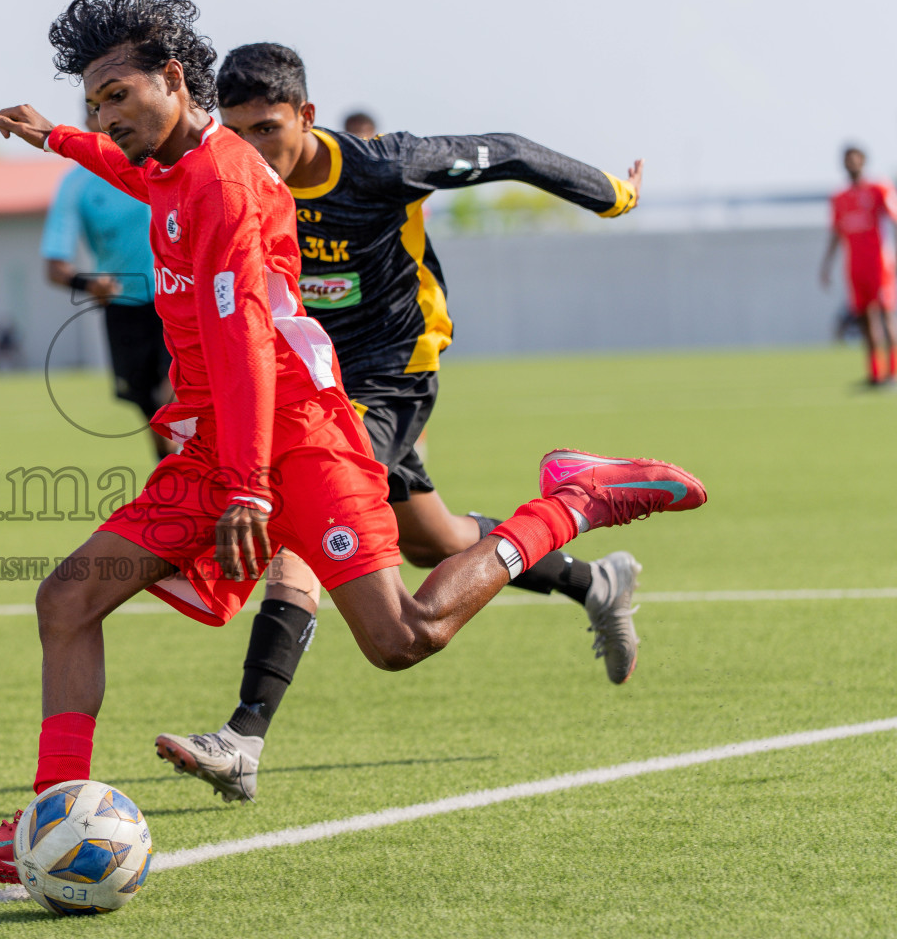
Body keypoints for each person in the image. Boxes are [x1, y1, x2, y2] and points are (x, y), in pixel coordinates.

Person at [0, 0, 706, 887]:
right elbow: (127, 168)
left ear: (176, 81)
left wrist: (253, 484)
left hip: (296, 435)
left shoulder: (222, 185)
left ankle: (576, 501)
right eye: (94, 102)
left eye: (119, 96)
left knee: (401, 639)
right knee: (66, 601)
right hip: (217, 444)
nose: (107, 119)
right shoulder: (171, 165)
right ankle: (47, 821)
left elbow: (248, 342)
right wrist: (51, 136)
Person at [154, 42, 649, 803]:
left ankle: (244, 736)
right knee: (437, 541)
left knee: (303, 534)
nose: (255, 149)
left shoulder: (387, 168)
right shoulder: (233, 178)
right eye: (239, 130)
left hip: (390, 376)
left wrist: (614, 194)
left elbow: (510, 152)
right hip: (312, 387)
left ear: (308, 117)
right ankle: (595, 582)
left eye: (270, 129)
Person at [41, 106, 175, 458]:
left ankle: (197, 470)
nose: (109, 120)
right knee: (147, 404)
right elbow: (55, 266)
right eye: (96, 111)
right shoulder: (76, 185)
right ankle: (171, 474)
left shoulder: (164, 164)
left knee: (172, 391)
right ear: (86, 123)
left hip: (176, 301)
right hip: (124, 308)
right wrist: (90, 285)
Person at [820, 145, 897, 385]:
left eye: (855, 160)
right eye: (847, 160)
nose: (851, 164)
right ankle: (875, 374)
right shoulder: (839, 198)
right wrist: (826, 265)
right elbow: (836, 232)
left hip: (879, 264)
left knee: (886, 317)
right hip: (855, 266)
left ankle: (893, 373)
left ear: (863, 162)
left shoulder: (878, 189)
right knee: (864, 320)